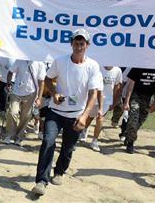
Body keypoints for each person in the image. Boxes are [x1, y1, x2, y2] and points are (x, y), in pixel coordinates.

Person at [32, 29, 103, 196]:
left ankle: (59, 171)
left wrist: (85, 116)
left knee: (68, 147)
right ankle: (41, 181)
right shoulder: (60, 61)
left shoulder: (92, 66)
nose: (79, 47)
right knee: (48, 141)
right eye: (76, 43)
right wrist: (55, 93)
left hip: (76, 114)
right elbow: (48, 79)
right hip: (56, 111)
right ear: (71, 44)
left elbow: (93, 93)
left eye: (82, 44)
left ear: (87, 45)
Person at [122, 67, 155, 154]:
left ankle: (128, 135)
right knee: (133, 119)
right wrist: (126, 101)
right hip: (136, 96)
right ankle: (130, 143)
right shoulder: (138, 67)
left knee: (140, 121)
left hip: (149, 98)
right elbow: (131, 84)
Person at [4, 59, 46, 146]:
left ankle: (19, 137)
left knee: (26, 116)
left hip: (31, 93)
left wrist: (39, 97)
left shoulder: (40, 63)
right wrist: (9, 83)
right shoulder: (20, 60)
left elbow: (42, 81)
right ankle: (9, 135)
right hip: (16, 91)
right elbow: (10, 72)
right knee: (12, 112)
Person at [81, 65, 122, 152]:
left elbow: (117, 86)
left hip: (106, 100)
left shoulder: (117, 70)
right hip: (94, 97)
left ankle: (94, 140)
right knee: (90, 117)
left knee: (100, 118)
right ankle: (84, 130)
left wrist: (113, 101)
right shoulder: (98, 67)